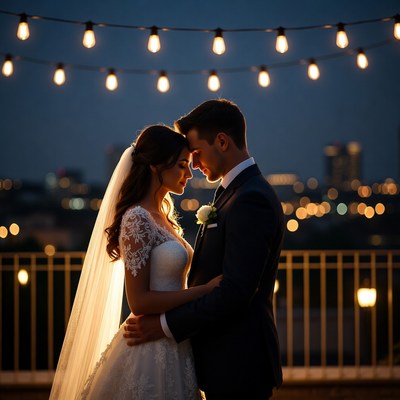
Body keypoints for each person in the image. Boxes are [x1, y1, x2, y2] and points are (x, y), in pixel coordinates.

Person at [124, 99, 284, 400]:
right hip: (219, 360)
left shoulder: (251, 199)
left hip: (239, 362)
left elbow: (235, 292)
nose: (194, 166)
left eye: (195, 154)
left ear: (222, 141)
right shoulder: (233, 193)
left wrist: (165, 326)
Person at [50, 125, 221, 399]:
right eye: (181, 165)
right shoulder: (137, 218)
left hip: (174, 338)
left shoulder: (163, 216)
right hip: (149, 345)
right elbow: (139, 301)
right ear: (155, 166)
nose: (189, 174)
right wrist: (202, 292)